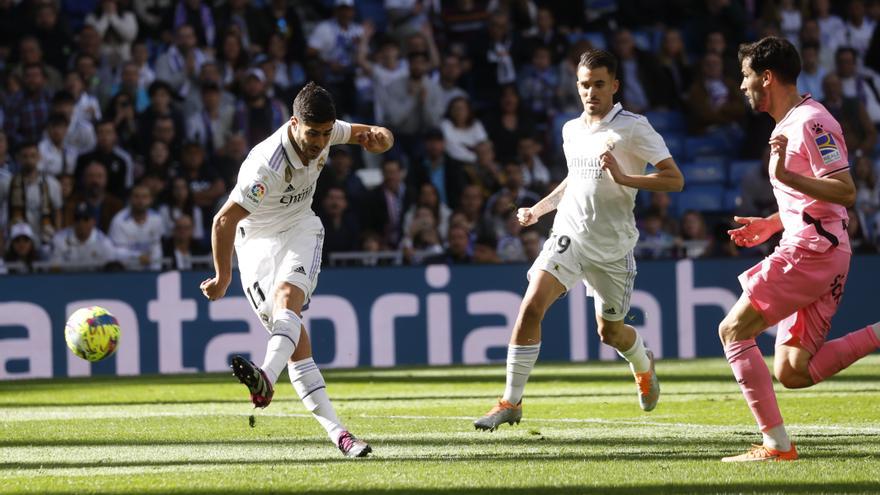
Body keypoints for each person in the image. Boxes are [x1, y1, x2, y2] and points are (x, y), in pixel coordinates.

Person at [472, 48, 683, 431]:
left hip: (613, 248)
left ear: (615, 85)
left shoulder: (634, 127)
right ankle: (510, 401)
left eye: (599, 84)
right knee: (531, 306)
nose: (591, 92)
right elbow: (575, 181)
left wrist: (625, 178)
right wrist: (538, 210)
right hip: (569, 235)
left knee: (610, 333)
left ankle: (642, 363)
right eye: (585, 85)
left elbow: (674, 178)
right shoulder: (571, 129)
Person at [199, 82, 393, 458]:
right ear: (293, 123)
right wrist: (223, 277)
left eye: (326, 133)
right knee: (297, 345)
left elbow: (372, 133)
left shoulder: (328, 130)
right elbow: (224, 222)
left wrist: (381, 138)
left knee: (289, 301)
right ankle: (339, 433)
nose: (321, 142)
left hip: (300, 228)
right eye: (313, 134)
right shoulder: (266, 166)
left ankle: (265, 378)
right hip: (254, 243)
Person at [719, 37, 876, 462]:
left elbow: (844, 190)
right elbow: (812, 199)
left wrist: (787, 174)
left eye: (746, 76)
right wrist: (772, 222)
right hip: (820, 246)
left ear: (766, 77)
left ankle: (777, 446)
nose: (742, 86)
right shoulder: (790, 121)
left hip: (813, 250)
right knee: (792, 371)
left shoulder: (811, 121)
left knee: (733, 331)